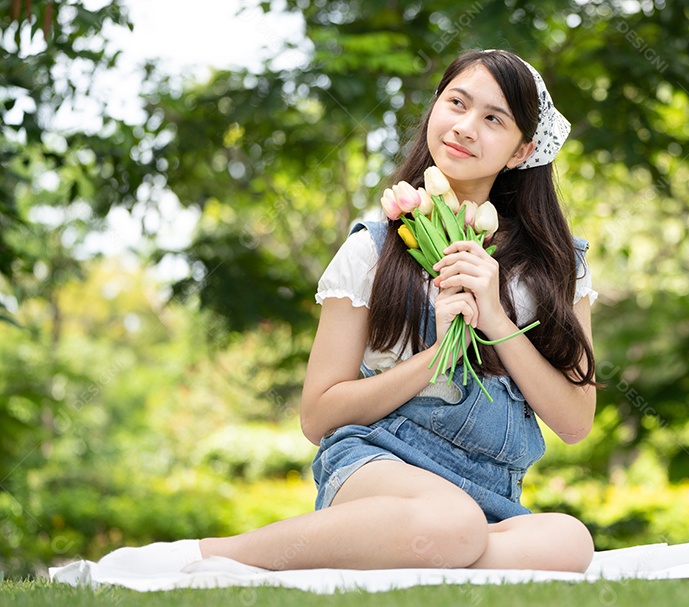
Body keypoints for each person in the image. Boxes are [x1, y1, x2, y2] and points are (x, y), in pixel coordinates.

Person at [98, 49, 598, 575]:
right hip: (377, 462)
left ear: (522, 150)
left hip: (488, 489)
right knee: (452, 522)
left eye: (494, 119)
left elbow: (573, 422)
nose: (466, 127)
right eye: (457, 103)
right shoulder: (372, 251)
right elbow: (318, 417)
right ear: (435, 107)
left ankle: (420, 549)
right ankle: (206, 556)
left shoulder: (557, 267)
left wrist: (494, 318)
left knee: (569, 541)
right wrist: (435, 358)